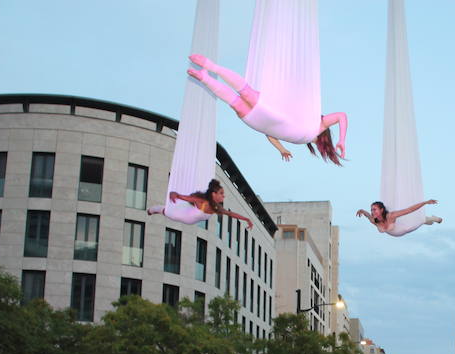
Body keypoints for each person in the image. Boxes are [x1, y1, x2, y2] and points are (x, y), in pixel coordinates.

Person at [188, 54, 347, 165]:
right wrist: (341, 139)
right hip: (261, 122)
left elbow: (341, 115)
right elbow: (271, 135)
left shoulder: (313, 129)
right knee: (237, 101)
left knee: (244, 95)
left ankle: (207, 72)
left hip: (269, 119)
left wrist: (282, 150)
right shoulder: (311, 130)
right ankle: (205, 75)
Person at [148, 179, 254, 229]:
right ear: (213, 194)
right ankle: (154, 209)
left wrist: (247, 219)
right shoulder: (202, 202)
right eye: (221, 193)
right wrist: (173, 193)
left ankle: (160, 209)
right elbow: (182, 196)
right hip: (181, 215)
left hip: (190, 218)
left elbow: (231, 214)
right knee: (165, 210)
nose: (223, 196)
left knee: (178, 207)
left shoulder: (217, 207)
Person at [356, 200, 442, 235]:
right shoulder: (374, 221)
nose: (372, 212)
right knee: (421, 220)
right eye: (371, 210)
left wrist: (425, 202)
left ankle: (432, 218)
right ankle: (428, 220)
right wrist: (362, 211)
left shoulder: (391, 216)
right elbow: (368, 215)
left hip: (404, 226)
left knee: (420, 220)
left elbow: (409, 210)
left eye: (374, 209)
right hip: (397, 232)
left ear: (382, 210)